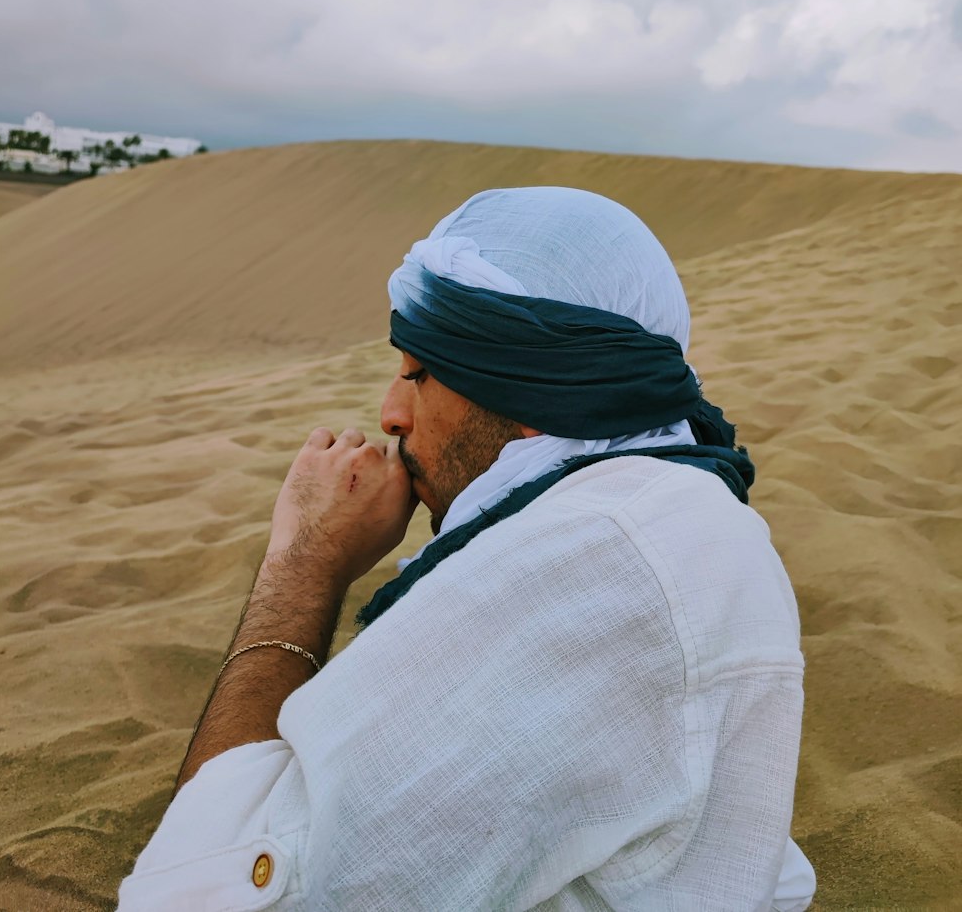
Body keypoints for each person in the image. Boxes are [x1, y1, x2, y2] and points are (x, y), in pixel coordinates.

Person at [119, 187, 816, 911]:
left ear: (532, 394)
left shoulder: (587, 561)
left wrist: (304, 561)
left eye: (420, 373)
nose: (391, 412)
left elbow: (207, 886)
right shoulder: (670, 504)